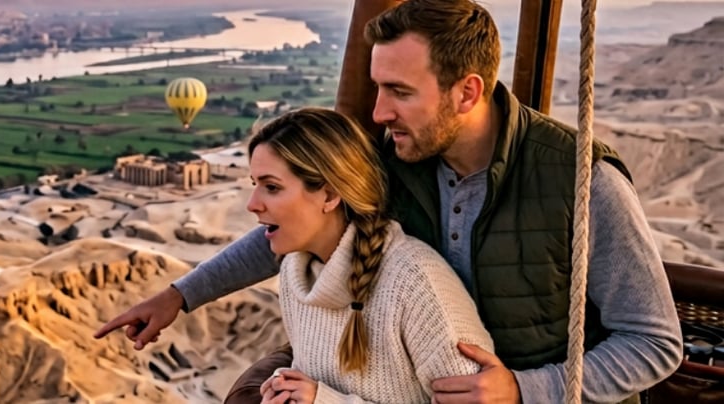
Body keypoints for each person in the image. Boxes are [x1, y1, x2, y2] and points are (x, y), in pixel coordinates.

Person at [95, 1, 684, 403]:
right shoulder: (396, 157)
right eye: (377, 87)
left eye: (399, 92)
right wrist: (181, 295)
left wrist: (526, 391)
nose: (377, 112)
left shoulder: (583, 182)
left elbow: (656, 344)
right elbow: (295, 222)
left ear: (467, 91)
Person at [246, 107, 494, 402]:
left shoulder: (415, 281)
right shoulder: (294, 275)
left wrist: (323, 400)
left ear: (329, 195)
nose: (252, 204)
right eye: (255, 185)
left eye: (271, 187)